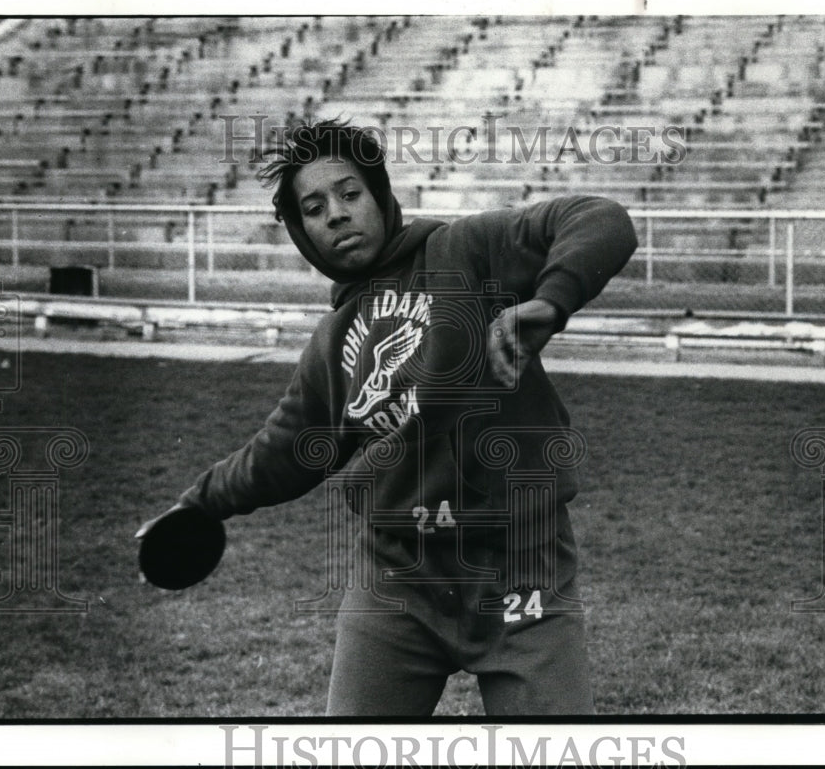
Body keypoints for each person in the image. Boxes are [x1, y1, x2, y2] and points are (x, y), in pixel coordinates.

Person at [138, 119, 637, 716]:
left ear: (381, 197)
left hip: (521, 569)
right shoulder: (334, 340)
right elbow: (286, 448)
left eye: (350, 194)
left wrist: (552, 301)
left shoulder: (465, 252)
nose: (337, 215)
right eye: (315, 207)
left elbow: (601, 219)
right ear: (302, 232)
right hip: (398, 579)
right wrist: (201, 502)